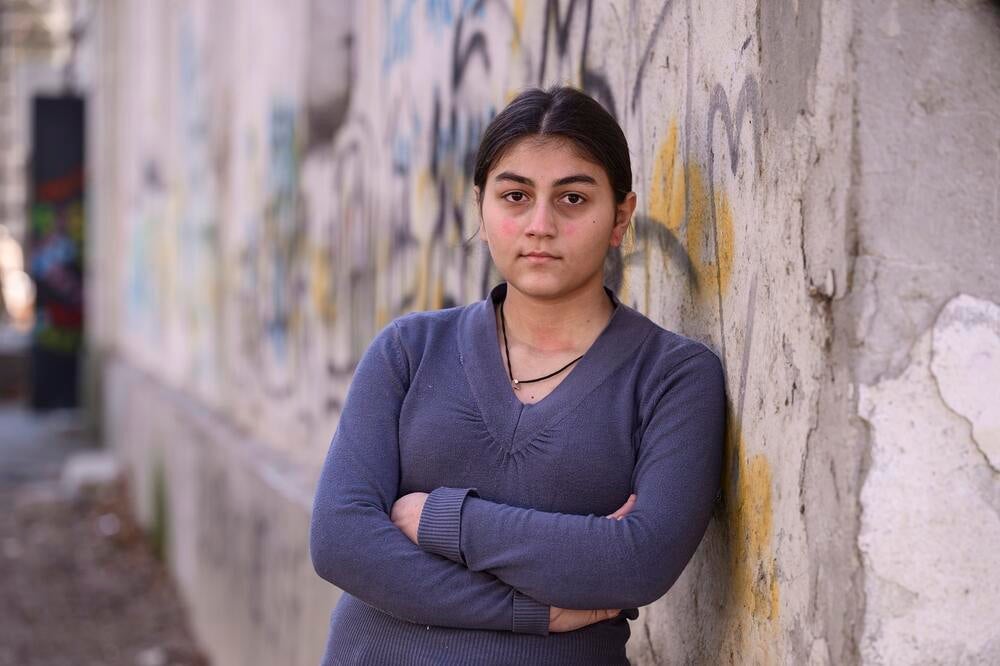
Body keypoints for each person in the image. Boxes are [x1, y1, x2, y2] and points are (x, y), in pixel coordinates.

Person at [309, 86, 726, 665]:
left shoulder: (672, 378)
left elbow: (638, 560)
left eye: (573, 199)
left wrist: (441, 519)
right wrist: (532, 610)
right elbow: (341, 542)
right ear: (482, 207)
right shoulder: (409, 351)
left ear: (620, 217)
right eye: (515, 196)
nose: (540, 224)